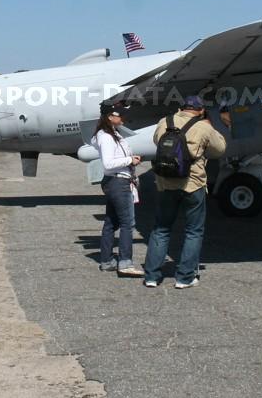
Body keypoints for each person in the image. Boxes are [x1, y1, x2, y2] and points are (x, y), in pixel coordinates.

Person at [143, 95, 227, 288]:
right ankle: (184, 277)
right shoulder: (203, 126)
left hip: (165, 183)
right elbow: (220, 149)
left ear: (181, 108)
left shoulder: (165, 122)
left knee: (161, 229)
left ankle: (152, 276)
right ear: (200, 109)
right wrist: (209, 128)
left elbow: (158, 142)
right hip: (192, 184)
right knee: (193, 231)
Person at [91, 103, 145, 276]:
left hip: (115, 182)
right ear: (109, 117)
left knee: (111, 222)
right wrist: (130, 160)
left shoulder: (110, 134)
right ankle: (125, 263)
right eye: (120, 115)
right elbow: (108, 164)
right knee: (127, 223)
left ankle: (106, 260)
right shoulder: (106, 137)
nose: (123, 118)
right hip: (118, 182)